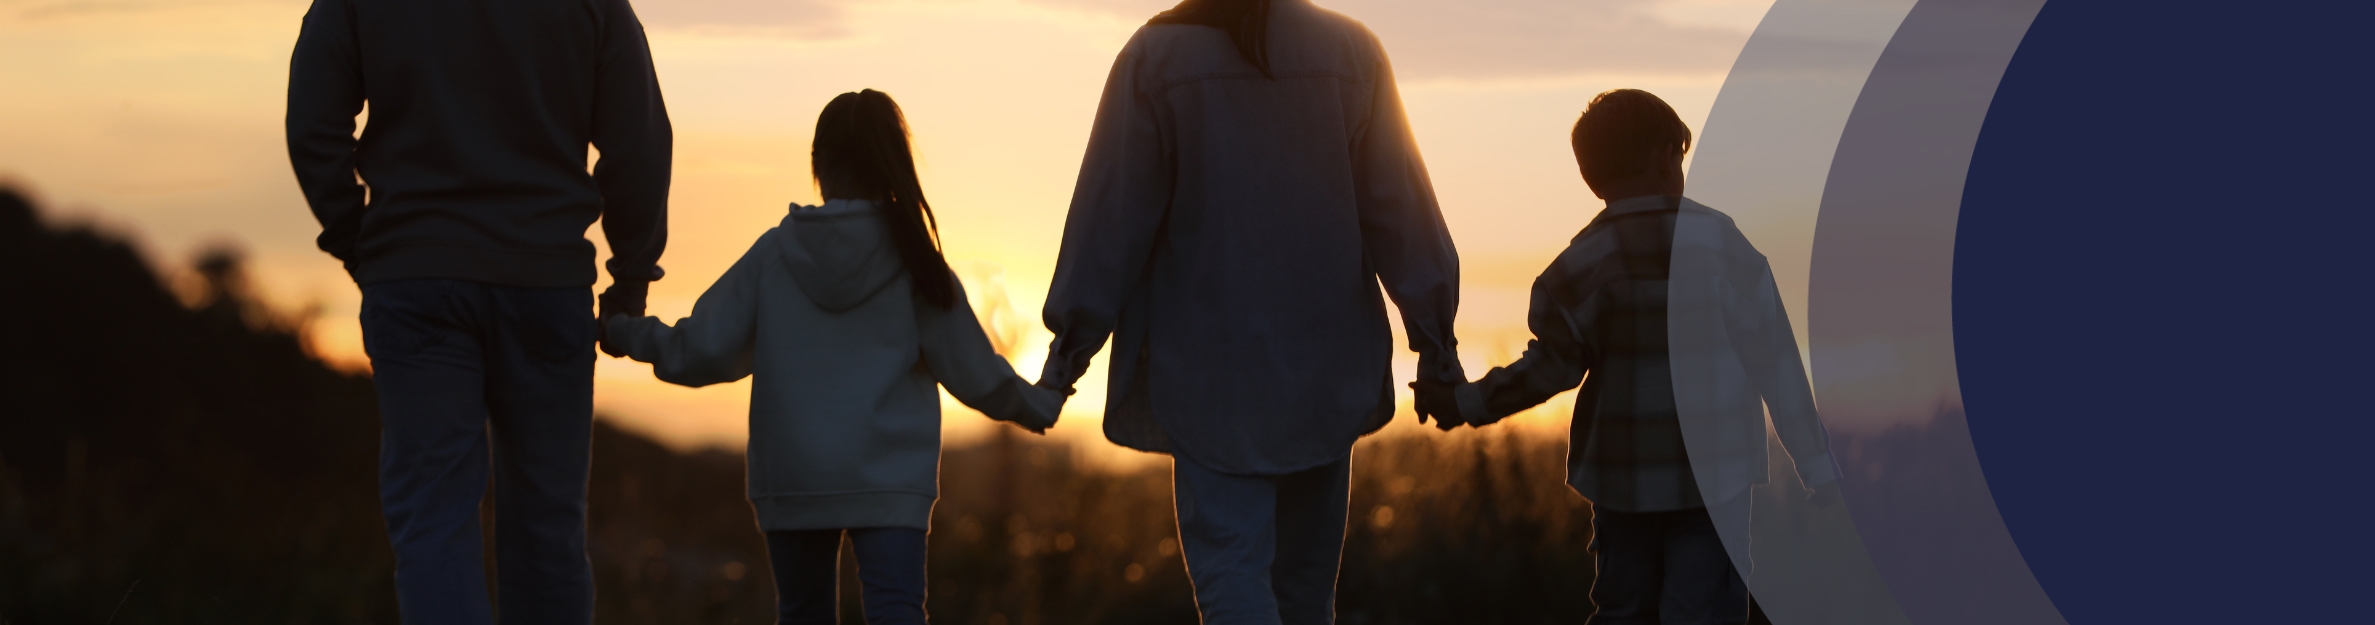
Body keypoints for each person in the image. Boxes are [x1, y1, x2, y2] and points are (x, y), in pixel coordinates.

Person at [1035, 0, 1464, 622]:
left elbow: (1109, 222)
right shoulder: (1351, 52)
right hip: (1327, 372)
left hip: (1210, 376)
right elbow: (1401, 212)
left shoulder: (1155, 58)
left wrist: (1064, 361)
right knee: (1306, 598)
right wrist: (1437, 349)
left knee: (1232, 579)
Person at [603, 90, 1063, 625]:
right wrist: (1040, 404)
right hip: (890, 477)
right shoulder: (915, 259)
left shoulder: (775, 253)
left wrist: (626, 334)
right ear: (893, 161)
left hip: (794, 473)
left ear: (818, 164)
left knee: (802, 614)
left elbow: (699, 349)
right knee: (897, 612)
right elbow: (976, 372)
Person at [284, 0, 671, 621]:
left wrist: (359, 241)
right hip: (546, 281)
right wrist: (629, 279)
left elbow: (312, 122)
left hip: (415, 283)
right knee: (549, 530)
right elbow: (639, 143)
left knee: (434, 521)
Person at [1410, 89, 1839, 625]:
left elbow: (1547, 371)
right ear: (1666, 158)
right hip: (1717, 478)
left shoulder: (1579, 267)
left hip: (1622, 480)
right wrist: (1816, 463)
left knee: (1624, 608)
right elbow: (1776, 362)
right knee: (1703, 610)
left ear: (1593, 176)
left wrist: (1466, 402)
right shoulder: (1725, 246)